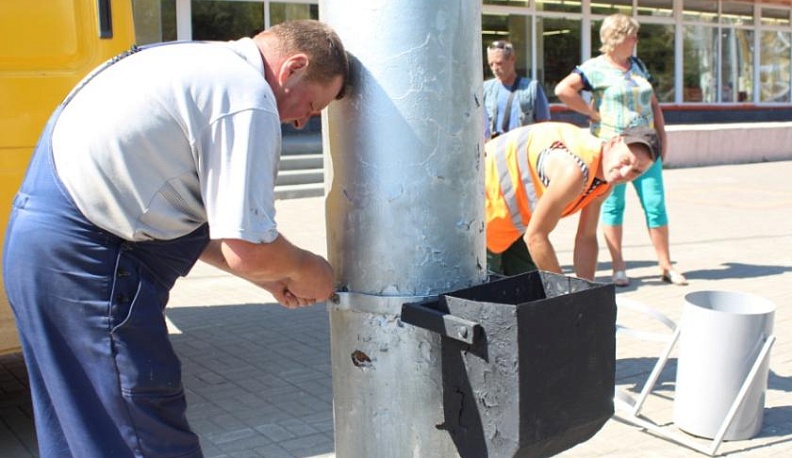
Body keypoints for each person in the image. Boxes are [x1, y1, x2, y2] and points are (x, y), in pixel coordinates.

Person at [2, 19, 348, 457]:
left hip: (40, 248)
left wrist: (266, 278)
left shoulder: (183, 61)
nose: (302, 121)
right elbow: (249, 249)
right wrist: (305, 268)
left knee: (81, 429)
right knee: (140, 436)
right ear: (293, 67)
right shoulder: (246, 95)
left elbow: (181, 221)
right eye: (312, 105)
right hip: (91, 264)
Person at [554, 13, 687, 287]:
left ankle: (665, 265)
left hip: (646, 150)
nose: (636, 40)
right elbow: (563, 89)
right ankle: (618, 267)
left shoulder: (637, 65)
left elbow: (654, 104)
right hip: (612, 153)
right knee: (613, 206)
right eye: (632, 35)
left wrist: (662, 138)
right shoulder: (595, 68)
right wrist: (592, 114)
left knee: (655, 205)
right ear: (618, 36)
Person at [486, 122, 659, 280]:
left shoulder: (604, 181)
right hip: (476, 222)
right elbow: (536, 237)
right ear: (614, 142)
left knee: (530, 295)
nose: (624, 173)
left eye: (636, 172)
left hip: (509, 229)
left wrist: (585, 290)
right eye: (625, 161)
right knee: (483, 303)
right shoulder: (574, 170)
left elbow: (586, 237)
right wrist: (566, 294)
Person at [483, 40, 551, 140]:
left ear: (512, 59)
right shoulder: (486, 89)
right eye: (491, 64)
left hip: (521, 149)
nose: (495, 68)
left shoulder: (531, 88)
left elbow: (544, 126)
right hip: (494, 150)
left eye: (499, 63)